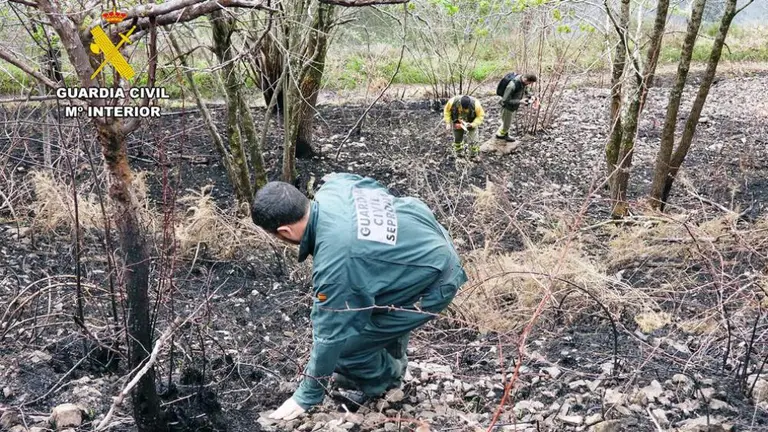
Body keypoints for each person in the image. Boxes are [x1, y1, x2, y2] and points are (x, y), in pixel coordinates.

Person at [251, 173, 468, 421]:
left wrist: (307, 394)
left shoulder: (338, 264)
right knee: (369, 308)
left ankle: (387, 384)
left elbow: (331, 335)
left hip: (436, 279)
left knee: (346, 349)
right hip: (422, 240)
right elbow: (369, 185)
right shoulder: (335, 186)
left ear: (285, 231)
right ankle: (387, 363)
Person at [496, 73, 538, 141]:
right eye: (529, 82)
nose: (529, 84)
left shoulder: (522, 82)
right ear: (525, 79)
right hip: (507, 107)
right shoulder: (512, 86)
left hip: (513, 107)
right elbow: (505, 100)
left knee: (507, 122)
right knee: (506, 124)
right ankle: (500, 135)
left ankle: (504, 134)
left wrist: (531, 95)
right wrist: (520, 101)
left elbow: (525, 89)